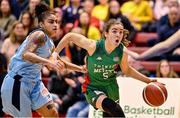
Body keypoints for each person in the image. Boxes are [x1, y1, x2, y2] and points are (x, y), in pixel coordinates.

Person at [52, 19, 157, 117]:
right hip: (93, 87)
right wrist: (55, 53)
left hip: (111, 88)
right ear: (106, 34)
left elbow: (127, 70)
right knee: (115, 110)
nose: (118, 34)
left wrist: (147, 80)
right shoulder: (93, 46)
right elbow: (70, 36)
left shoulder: (122, 51)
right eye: (114, 31)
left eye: (121, 32)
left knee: (110, 114)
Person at [0, 3, 85, 117]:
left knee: (52, 113)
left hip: (35, 83)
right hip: (18, 82)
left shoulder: (50, 43)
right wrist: (49, 62)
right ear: (41, 24)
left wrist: (81, 68)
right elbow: (26, 54)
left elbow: (61, 63)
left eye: (56, 21)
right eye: (51, 22)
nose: (55, 24)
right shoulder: (39, 34)